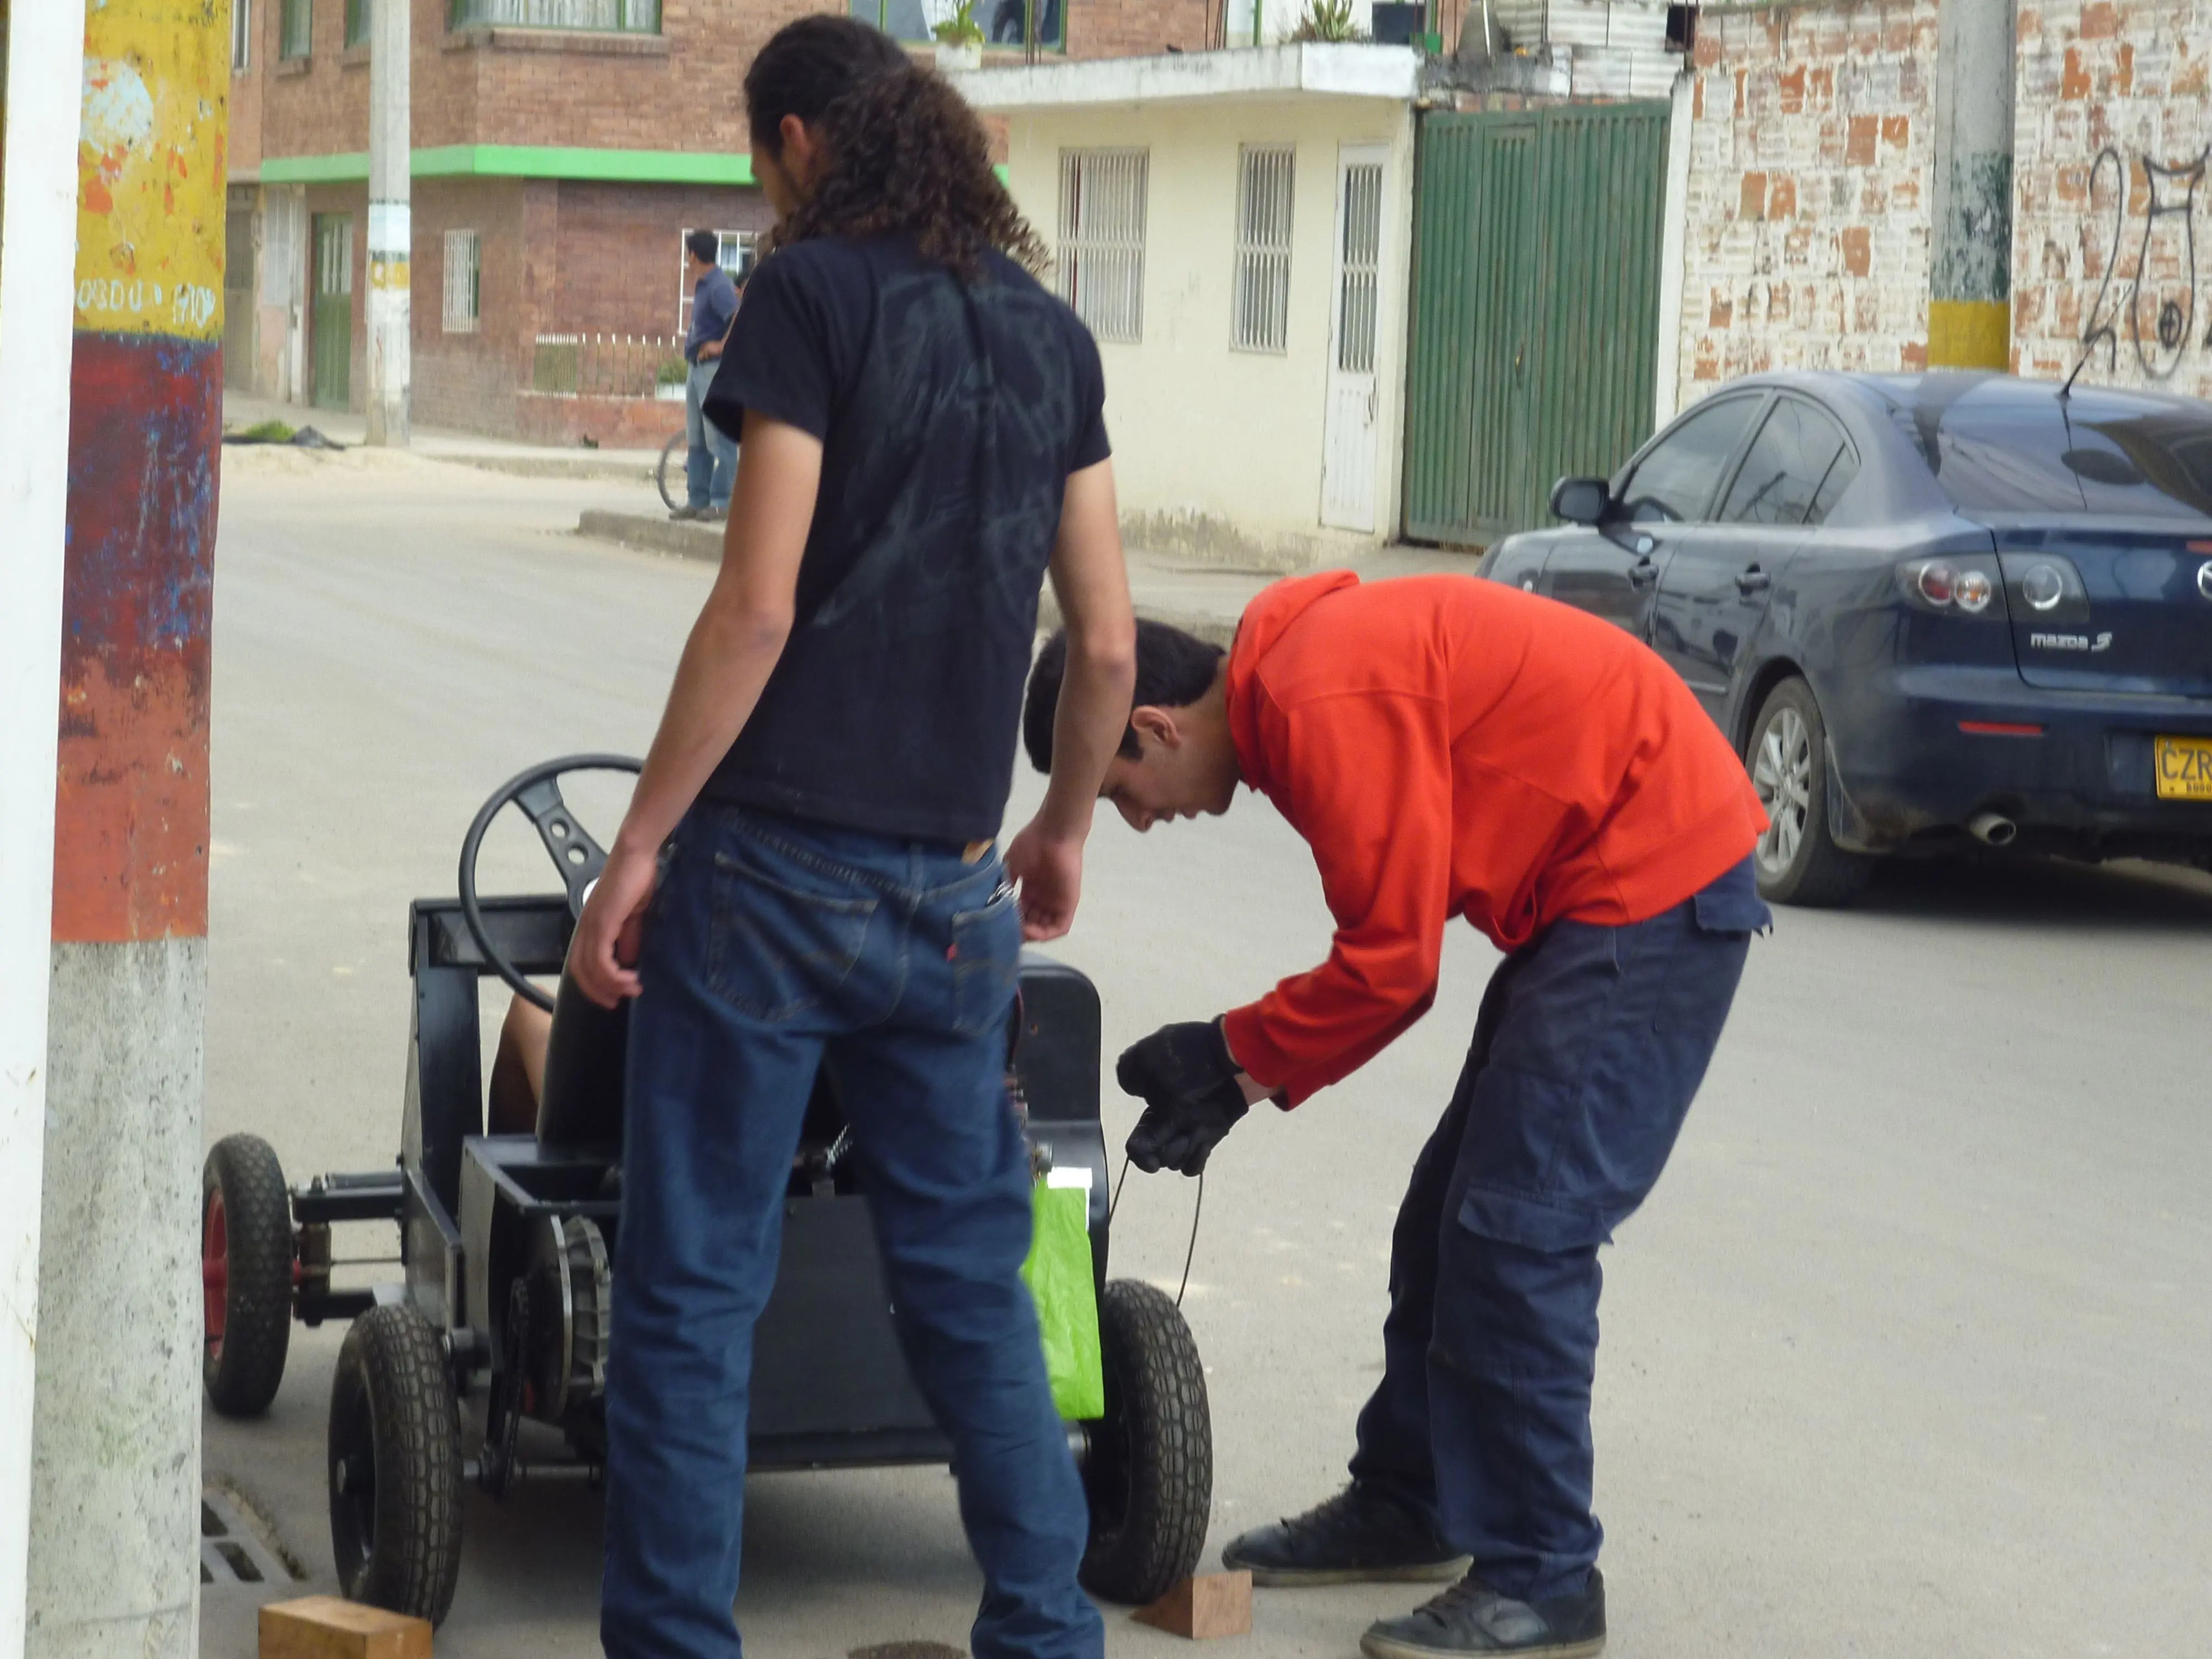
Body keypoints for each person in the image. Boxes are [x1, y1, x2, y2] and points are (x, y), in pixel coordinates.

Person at [566, 17, 1136, 1659]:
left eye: (763, 168)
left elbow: (752, 610)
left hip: (767, 880)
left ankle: (678, 1643)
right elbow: (1103, 644)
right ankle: (1045, 1629)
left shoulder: (803, 302)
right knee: (970, 1287)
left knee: (692, 1296)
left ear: (802, 144)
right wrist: (1061, 827)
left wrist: (636, 846)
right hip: (955, 889)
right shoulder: (1049, 333)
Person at [1021, 575, 1773, 1659]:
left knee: (1515, 1232)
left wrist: (1229, 1057)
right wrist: (1237, 1074)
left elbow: (1391, 966)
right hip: (1597, 886)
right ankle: (1409, 1501)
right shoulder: (1294, 692)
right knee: (1443, 1218)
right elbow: (1396, 943)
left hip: (1650, 875)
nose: (1136, 823)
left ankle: (1544, 1576)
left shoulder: (1311, 702)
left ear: (1152, 725)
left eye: (1114, 795)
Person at [674, 228, 740, 523]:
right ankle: (697, 499)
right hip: (695, 368)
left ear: (692, 255)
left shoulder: (719, 286)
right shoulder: (704, 286)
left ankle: (721, 501)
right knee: (697, 438)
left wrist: (721, 345)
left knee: (718, 439)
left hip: (713, 370)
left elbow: (740, 318)